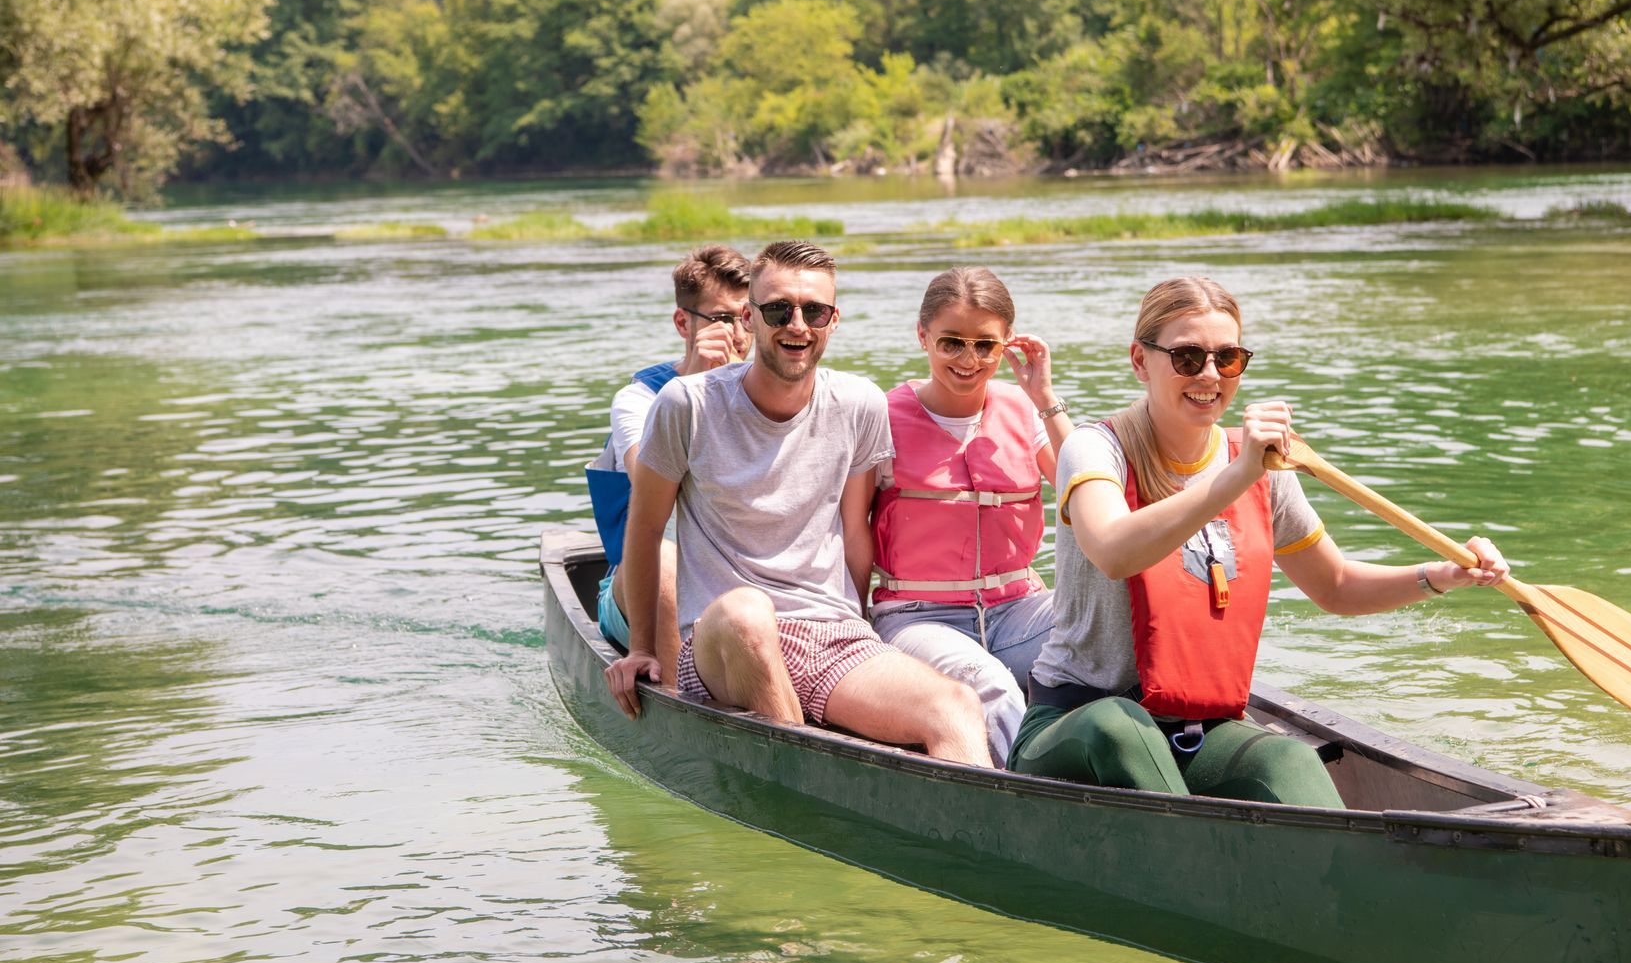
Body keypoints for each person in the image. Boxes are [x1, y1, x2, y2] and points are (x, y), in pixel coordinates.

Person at [1010, 276, 1511, 804]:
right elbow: (1113, 551)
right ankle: (1200, 859)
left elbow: (1336, 586)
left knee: (1287, 756)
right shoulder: (1094, 449)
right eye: (1187, 358)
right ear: (1140, 361)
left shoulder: (1263, 468)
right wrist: (1237, 472)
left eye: (1227, 359)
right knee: (1119, 727)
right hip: (1076, 724)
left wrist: (1443, 575)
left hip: (1193, 731)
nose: (1209, 376)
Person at [603, 239, 992, 768]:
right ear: (750, 317)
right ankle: (806, 782)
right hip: (722, 640)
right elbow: (646, 529)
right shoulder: (686, 404)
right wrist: (643, 650)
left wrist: (862, 627)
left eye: (814, 311)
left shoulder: (860, 403)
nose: (797, 325)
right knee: (748, 612)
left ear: (834, 320)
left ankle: (968, 844)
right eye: (778, 309)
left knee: (956, 706)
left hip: (829, 633)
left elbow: (856, 535)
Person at [867, 267, 1070, 766]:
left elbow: (1087, 492)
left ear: (1007, 346)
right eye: (951, 343)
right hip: (918, 619)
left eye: (985, 345)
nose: (968, 359)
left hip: (1019, 610)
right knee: (992, 686)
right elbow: (849, 532)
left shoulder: (1024, 410)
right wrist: (854, 629)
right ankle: (1030, 800)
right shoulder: (879, 416)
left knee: (1113, 630)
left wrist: (1044, 397)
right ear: (923, 336)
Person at [586, 244, 752, 653]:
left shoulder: (771, 392)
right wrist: (694, 387)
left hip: (741, 582)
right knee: (664, 560)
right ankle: (675, 694)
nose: (738, 334)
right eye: (722, 319)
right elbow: (650, 485)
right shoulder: (639, 399)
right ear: (683, 322)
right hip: (645, 590)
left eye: (747, 318)